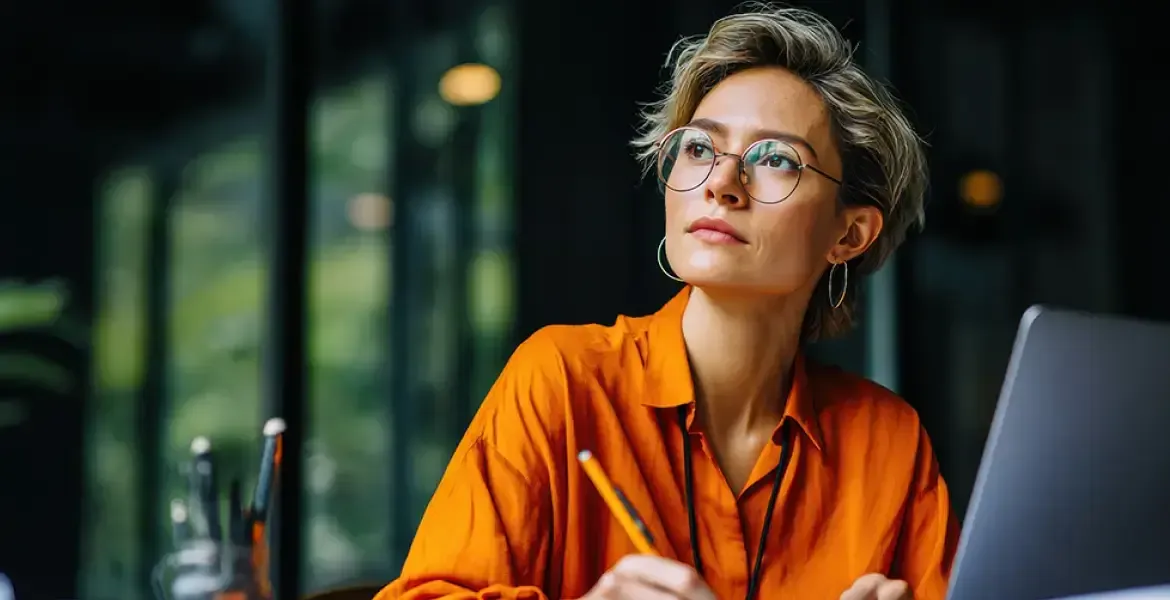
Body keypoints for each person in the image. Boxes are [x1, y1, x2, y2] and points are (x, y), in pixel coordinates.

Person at [375, 4, 957, 600]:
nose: (721, 184)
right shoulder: (564, 382)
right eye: (700, 148)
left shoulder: (886, 440)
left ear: (849, 234)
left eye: (775, 159)